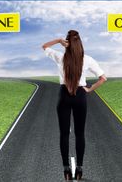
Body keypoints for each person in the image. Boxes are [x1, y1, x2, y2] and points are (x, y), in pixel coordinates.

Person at [42, 30, 106, 181]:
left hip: (64, 95)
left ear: (67, 42)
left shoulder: (60, 56)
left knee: (64, 134)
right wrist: (89, 89)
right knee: (80, 133)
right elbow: (103, 78)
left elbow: (44, 46)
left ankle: (66, 169)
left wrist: (58, 41)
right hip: (80, 96)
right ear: (79, 43)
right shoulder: (88, 59)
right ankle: (79, 169)